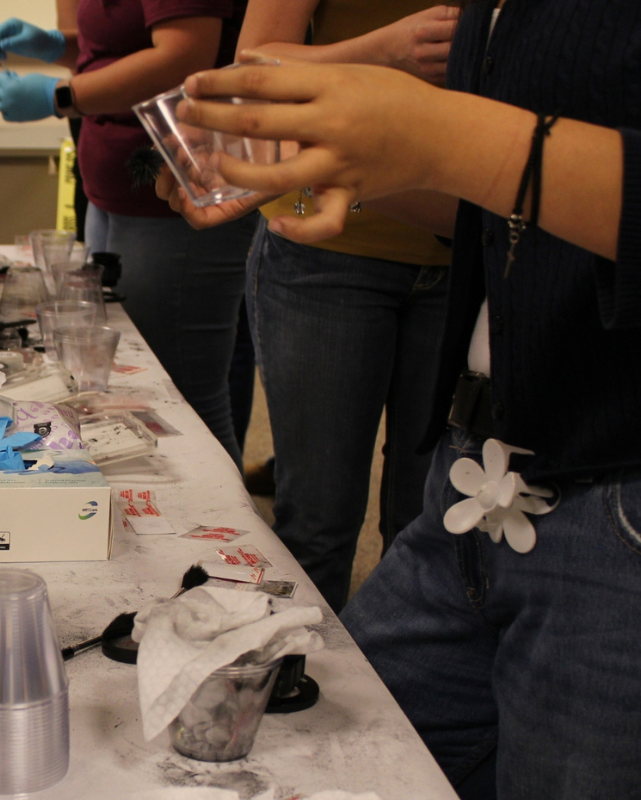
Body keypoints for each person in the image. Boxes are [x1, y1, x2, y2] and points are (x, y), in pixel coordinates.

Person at [167, 1, 641, 794]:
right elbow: (524, 218)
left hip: (610, 491)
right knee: (318, 754)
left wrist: (439, 134)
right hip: (480, 480)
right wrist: (348, 164)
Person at [225, 1, 460, 611]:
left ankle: (398, 671)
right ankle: (303, 667)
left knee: (432, 528)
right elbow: (253, 68)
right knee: (319, 523)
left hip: (465, 246)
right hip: (327, 250)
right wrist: (389, 47)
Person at [0, 0, 257, 469]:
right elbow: (120, 48)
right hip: (112, 198)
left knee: (183, 398)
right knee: (130, 392)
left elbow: (184, 58)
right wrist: (60, 47)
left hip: (175, 201)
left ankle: (221, 514)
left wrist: (62, 95)